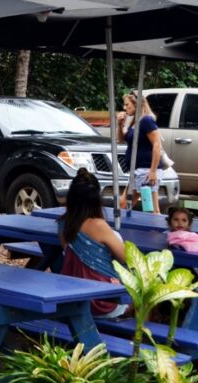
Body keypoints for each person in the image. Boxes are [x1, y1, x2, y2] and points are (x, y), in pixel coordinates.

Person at [57, 169, 129, 318]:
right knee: (145, 295)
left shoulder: (63, 224)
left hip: (71, 298)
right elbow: (127, 258)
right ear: (97, 198)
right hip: (101, 303)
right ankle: (136, 339)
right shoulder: (99, 225)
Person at [117, 90, 178, 214]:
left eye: (127, 104)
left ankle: (154, 231)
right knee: (123, 204)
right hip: (137, 170)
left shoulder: (146, 120)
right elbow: (121, 139)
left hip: (146, 169)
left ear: (137, 105)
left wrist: (153, 171)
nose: (124, 108)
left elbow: (156, 144)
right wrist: (120, 124)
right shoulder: (134, 122)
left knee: (150, 208)